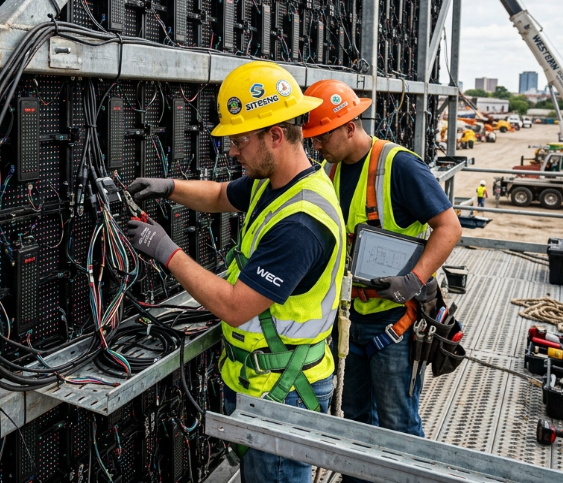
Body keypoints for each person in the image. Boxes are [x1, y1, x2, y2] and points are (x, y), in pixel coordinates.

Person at [124, 62, 346, 483]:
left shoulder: (302, 221)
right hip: (262, 383)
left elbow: (235, 306)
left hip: (282, 393)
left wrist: (163, 249)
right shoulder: (277, 181)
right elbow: (221, 195)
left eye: (239, 140)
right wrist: (169, 186)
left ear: (275, 136)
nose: (231, 151)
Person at [301, 80, 461, 483]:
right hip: (348, 321)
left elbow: (449, 227)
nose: (315, 147)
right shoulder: (328, 171)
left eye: (322, 136)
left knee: (397, 425)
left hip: (395, 323)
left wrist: (413, 279)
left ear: (350, 126)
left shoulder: (399, 166)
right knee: (355, 420)